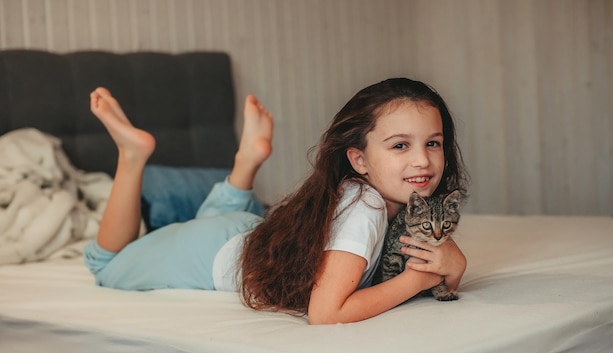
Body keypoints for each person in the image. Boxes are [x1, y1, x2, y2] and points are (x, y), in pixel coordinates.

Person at [84, 78, 469, 325]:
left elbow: (431, 260)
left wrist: (454, 264)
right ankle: (132, 155)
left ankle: (246, 161)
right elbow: (325, 313)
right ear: (359, 160)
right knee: (105, 265)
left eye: (432, 143)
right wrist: (415, 280)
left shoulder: (400, 204)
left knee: (222, 217)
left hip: (253, 235)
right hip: (215, 253)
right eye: (400, 145)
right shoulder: (364, 206)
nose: (422, 159)